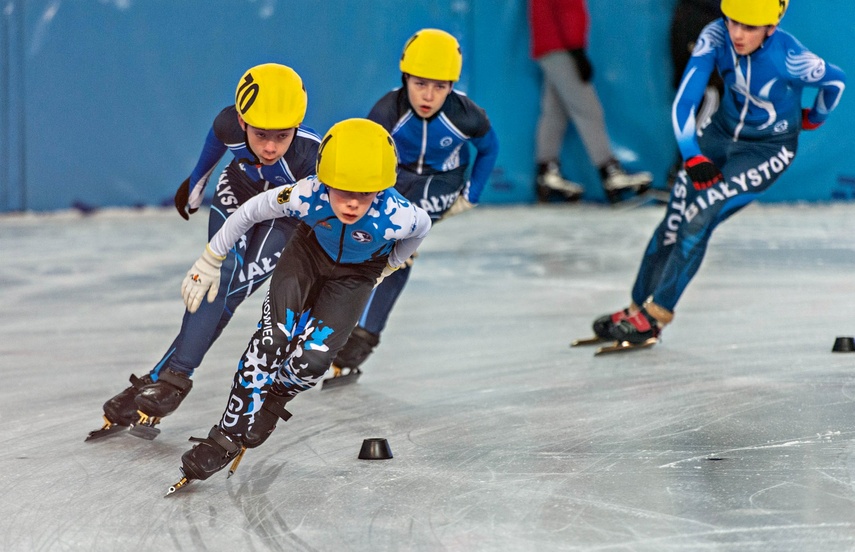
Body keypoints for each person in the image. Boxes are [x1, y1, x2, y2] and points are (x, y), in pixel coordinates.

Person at [167, 118, 432, 491]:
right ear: (325, 181)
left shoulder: (399, 214)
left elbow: (422, 229)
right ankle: (225, 434)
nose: (354, 202)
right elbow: (249, 212)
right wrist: (211, 258)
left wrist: (386, 267)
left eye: (367, 192)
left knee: (314, 361)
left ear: (383, 188)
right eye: (342, 191)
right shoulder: (307, 193)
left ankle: (275, 399)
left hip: (357, 274)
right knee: (271, 341)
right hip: (306, 256)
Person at [591, 0, 845, 346]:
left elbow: (836, 81)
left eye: (749, 27)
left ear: (771, 27)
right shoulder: (714, 34)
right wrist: (691, 154)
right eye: (733, 22)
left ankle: (655, 317)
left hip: (765, 150)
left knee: (698, 220)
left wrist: (815, 117)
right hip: (717, 136)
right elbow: (685, 101)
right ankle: (638, 305)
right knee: (672, 223)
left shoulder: (792, 57)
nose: (737, 34)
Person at [88, 63, 321, 441]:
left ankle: (164, 379)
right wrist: (196, 182)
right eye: (260, 134)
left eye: (283, 135)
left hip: (284, 218)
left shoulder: (312, 157)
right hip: (238, 196)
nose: (271, 147)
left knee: (227, 295)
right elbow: (216, 140)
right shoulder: (230, 124)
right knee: (218, 279)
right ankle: (172, 380)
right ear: (244, 122)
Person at [323, 28, 499, 386]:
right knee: (364, 244)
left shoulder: (467, 115)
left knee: (397, 255)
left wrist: (472, 194)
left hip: (442, 181)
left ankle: (364, 337)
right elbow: (367, 159)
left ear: (452, 87)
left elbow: (489, 149)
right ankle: (338, 321)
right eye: (420, 84)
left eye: (440, 86)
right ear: (405, 78)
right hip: (394, 178)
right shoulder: (387, 110)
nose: (428, 95)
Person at [528, 0, 653, 203]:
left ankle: (547, 173)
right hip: (562, 46)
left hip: (551, 43)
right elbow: (568, 8)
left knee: (554, 113)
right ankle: (610, 173)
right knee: (588, 109)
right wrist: (576, 49)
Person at [666, 0, 724, 189]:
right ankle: (684, 173)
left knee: (710, 96)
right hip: (697, 25)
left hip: (703, 24)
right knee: (708, 95)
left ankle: (686, 173)